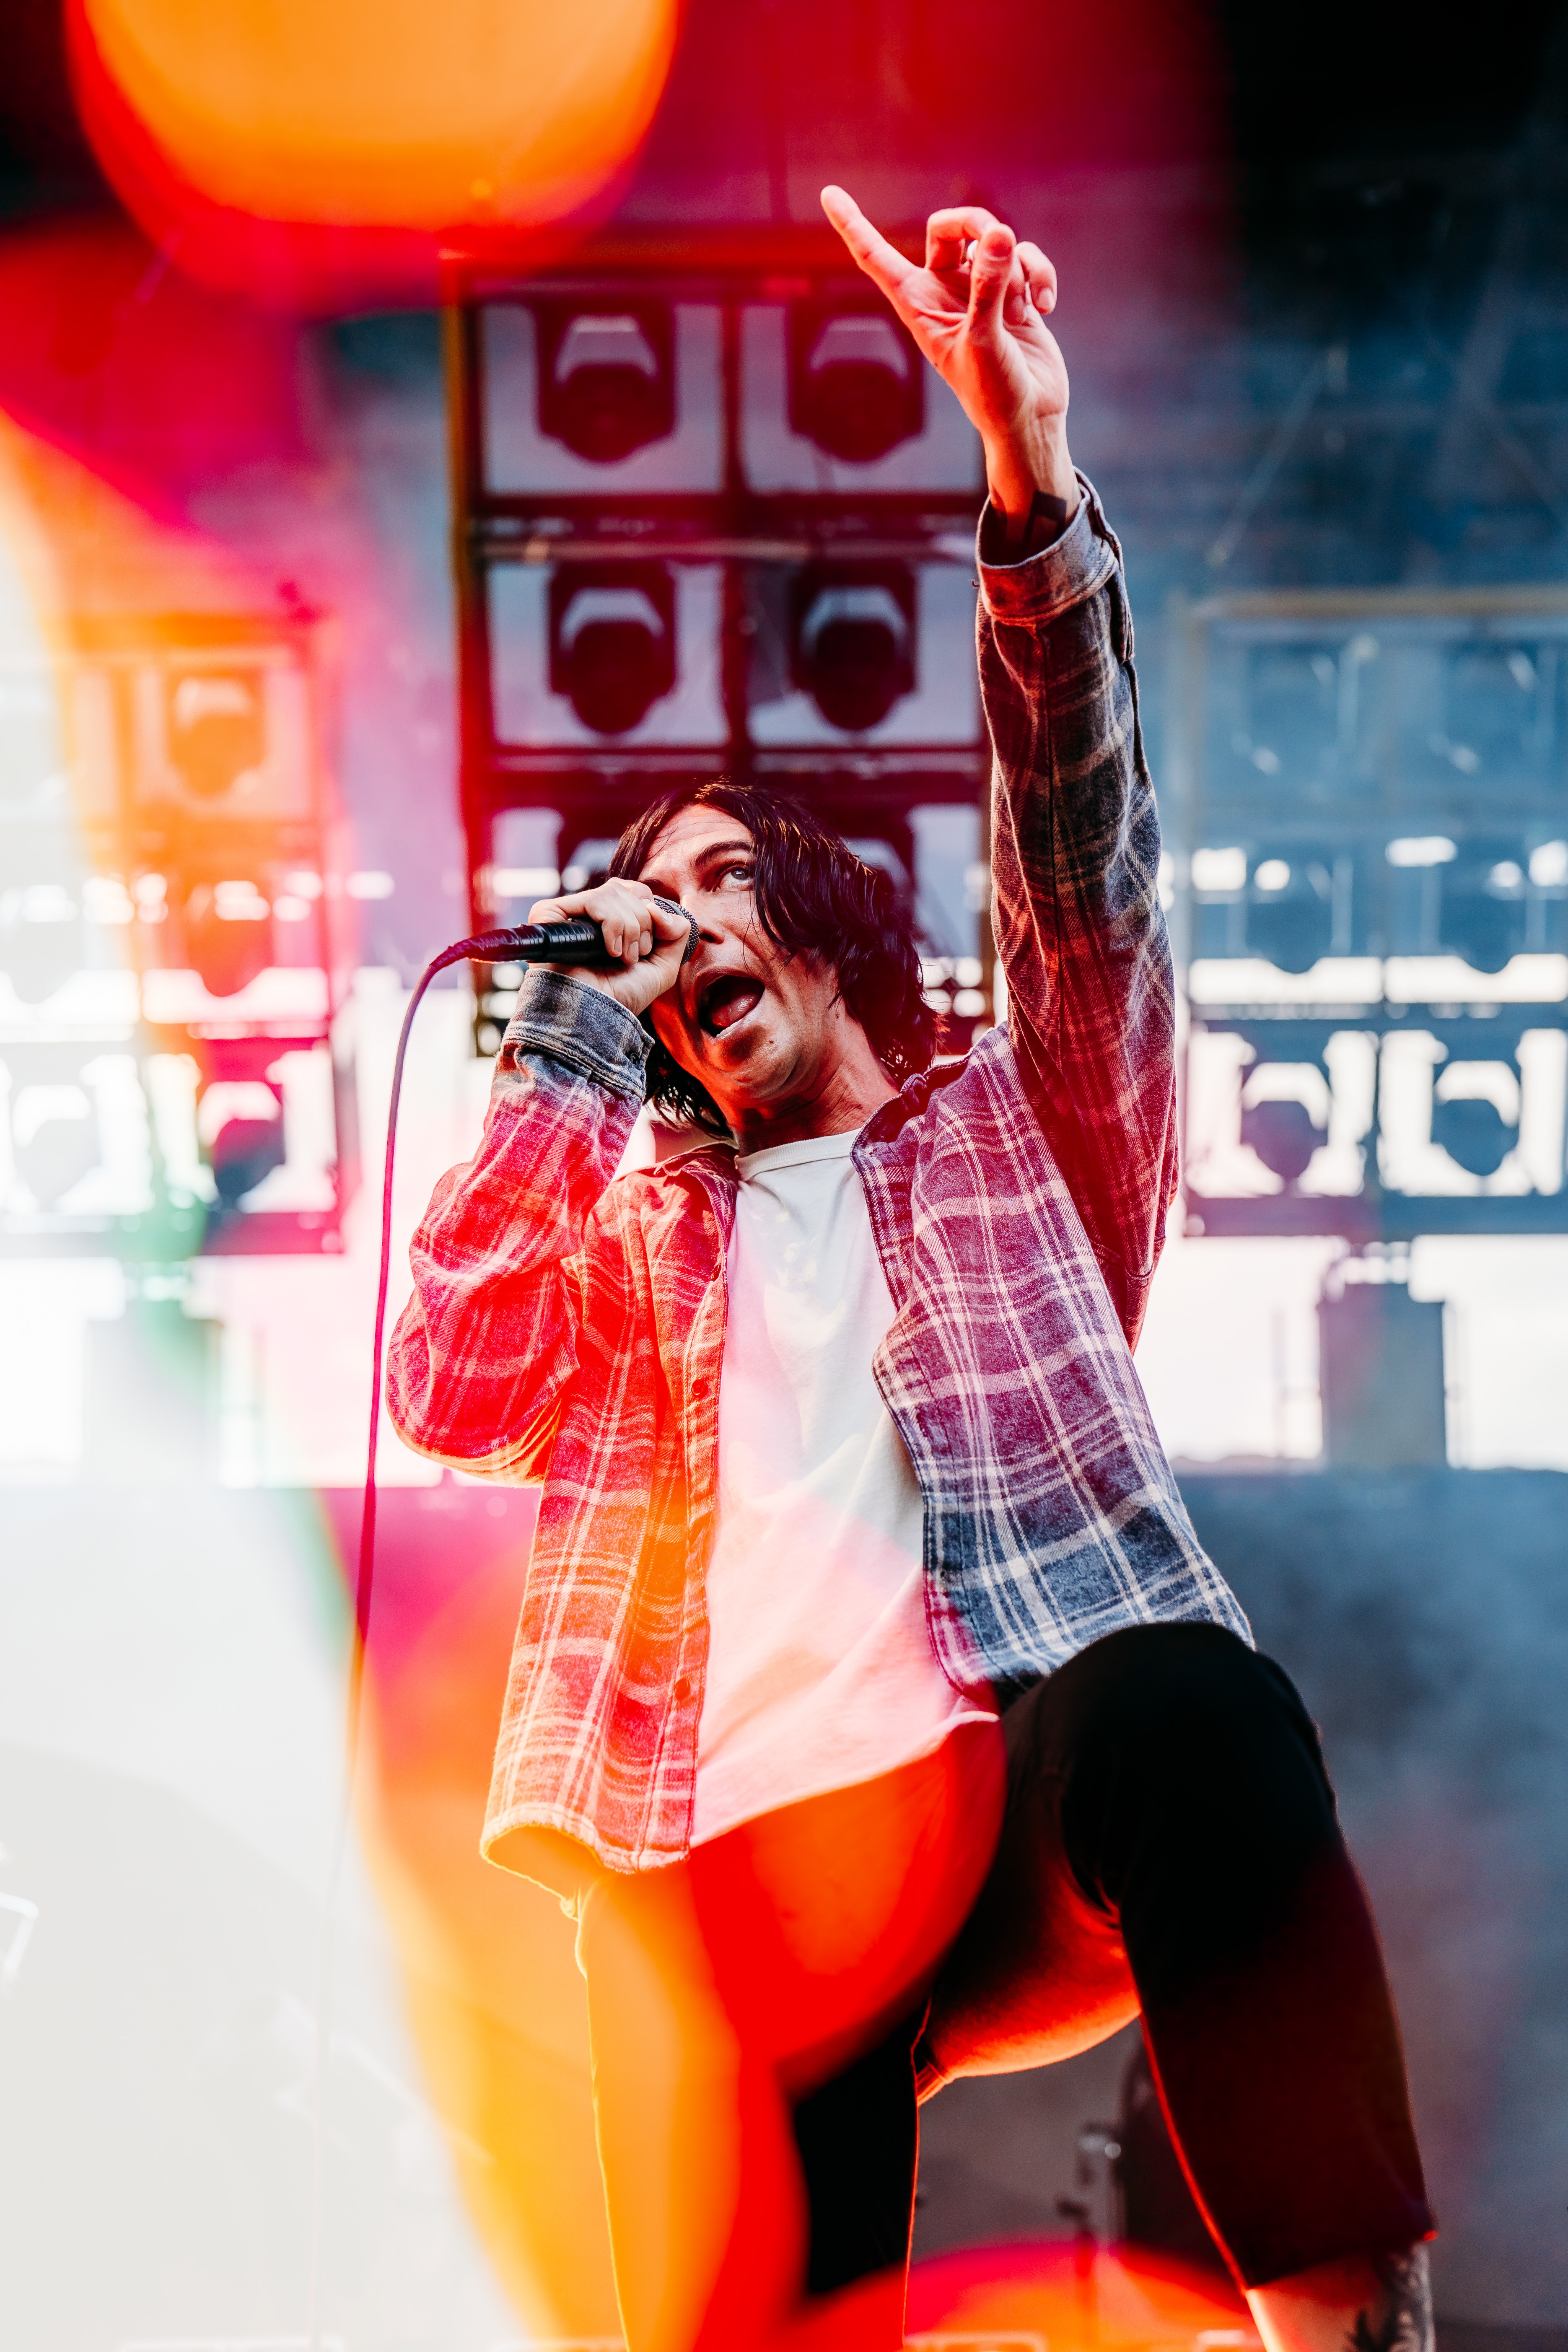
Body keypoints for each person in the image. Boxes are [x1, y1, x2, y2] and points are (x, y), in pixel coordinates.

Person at [387, 186, 1434, 2352]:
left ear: (832, 919)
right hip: (725, 1866)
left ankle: (1352, 2334)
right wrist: (572, 1025)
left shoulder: (1014, 1133)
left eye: (714, 883)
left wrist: (1027, 483)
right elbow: (452, 1382)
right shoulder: (633, 1228)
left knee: (1195, 1712)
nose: (676, 928)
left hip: (1002, 1767)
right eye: (646, 904)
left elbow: (1081, 854)